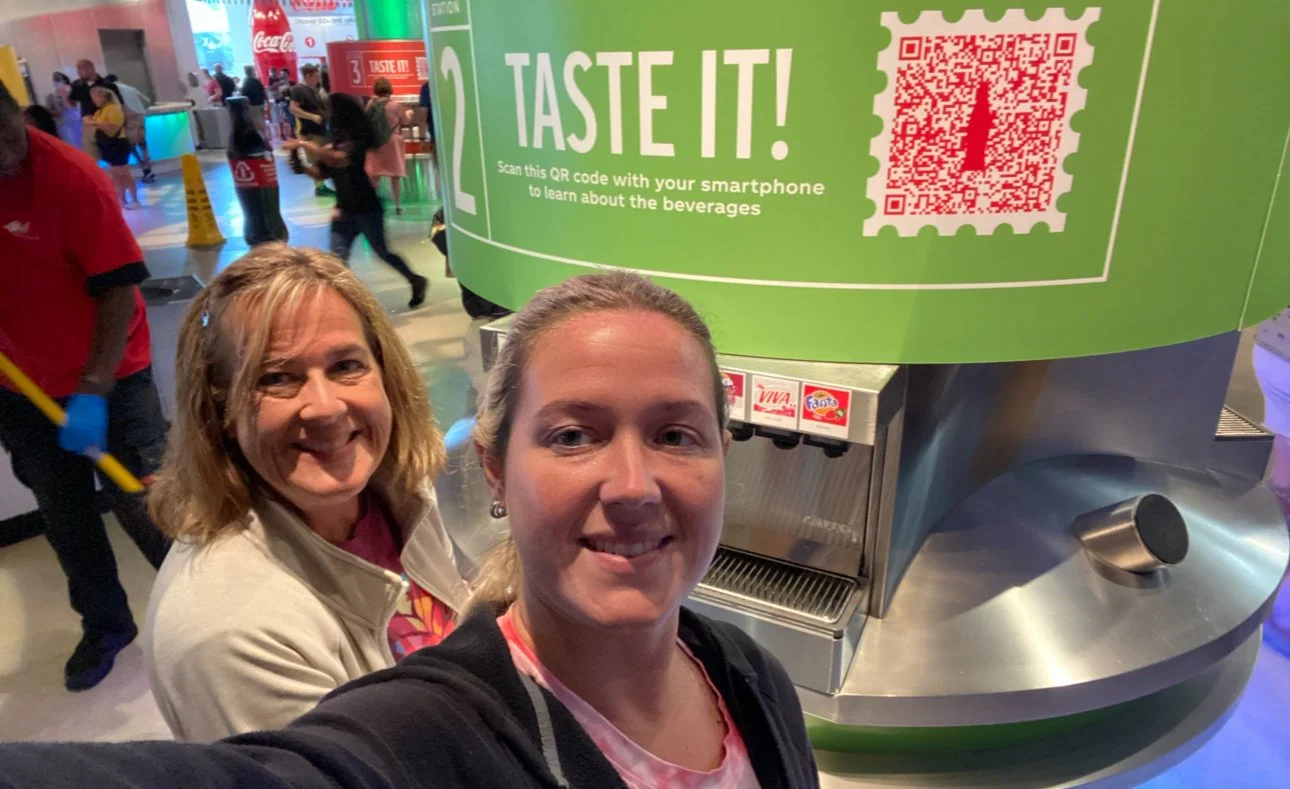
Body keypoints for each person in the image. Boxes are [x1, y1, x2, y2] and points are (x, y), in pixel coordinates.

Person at [0, 271, 819, 788]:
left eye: (677, 433)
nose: (324, 407)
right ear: (498, 469)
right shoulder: (225, 625)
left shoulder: (750, 677)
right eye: (276, 379)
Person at [144, 246, 473, 741]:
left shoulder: (395, 492)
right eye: (276, 378)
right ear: (222, 410)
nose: (324, 408)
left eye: (345, 366)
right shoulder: (230, 635)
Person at [0, 80, 171, 693]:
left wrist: (94, 391)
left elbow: (117, 291)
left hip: (111, 376)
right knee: (64, 512)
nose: (2, 150)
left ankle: (199, 616)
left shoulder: (72, 179)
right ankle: (105, 624)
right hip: (20, 386)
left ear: (18, 114)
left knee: (149, 506)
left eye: (7, 130)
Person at [283, 94, 428, 309]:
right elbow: (322, 173)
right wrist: (303, 167)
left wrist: (304, 144)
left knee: (382, 252)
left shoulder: (356, 142)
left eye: (330, 111)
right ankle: (346, 304)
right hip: (345, 210)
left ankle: (415, 280)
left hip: (367, 209)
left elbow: (339, 160)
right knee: (336, 261)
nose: (327, 116)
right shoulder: (336, 142)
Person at [84, 86, 139, 208]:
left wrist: (95, 123)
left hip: (118, 144)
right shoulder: (99, 111)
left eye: (95, 97)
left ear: (102, 97)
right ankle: (122, 198)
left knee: (124, 173)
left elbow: (112, 127)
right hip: (106, 146)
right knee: (115, 174)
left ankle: (135, 199)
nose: (94, 100)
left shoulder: (113, 109)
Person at [364, 77, 412, 215]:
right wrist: (409, 114)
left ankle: (370, 204)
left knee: (375, 175)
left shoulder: (371, 104)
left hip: (376, 142)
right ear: (389, 89)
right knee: (395, 176)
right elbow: (405, 121)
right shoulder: (395, 105)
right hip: (392, 142)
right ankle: (398, 205)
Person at [289, 63, 333, 196]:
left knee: (322, 158)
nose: (318, 78)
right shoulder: (299, 89)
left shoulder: (314, 89)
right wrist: (312, 117)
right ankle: (319, 187)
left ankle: (321, 185)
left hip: (320, 129)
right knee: (315, 159)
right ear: (308, 75)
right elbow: (293, 108)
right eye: (316, 75)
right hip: (311, 131)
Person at [104, 74, 155, 184]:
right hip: (140, 115)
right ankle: (148, 169)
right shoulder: (130, 88)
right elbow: (147, 100)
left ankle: (142, 170)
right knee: (143, 144)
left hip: (129, 117)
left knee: (130, 145)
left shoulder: (114, 89)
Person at [45, 71, 82, 147]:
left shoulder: (73, 91)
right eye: (55, 79)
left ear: (64, 80)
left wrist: (64, 96)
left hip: (76, 121)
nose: (56, 82)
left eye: (58, 79)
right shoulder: (51, 96)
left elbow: (74, 107)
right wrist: (54, 112)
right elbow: (48, 111)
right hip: (61, 124)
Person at [240, 64, 268, 137]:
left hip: (253, 105)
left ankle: (262, 138)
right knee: (262, 120)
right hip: (261, 103)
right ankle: (264, 136)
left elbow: (244, 94)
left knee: (257, 122)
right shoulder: (256, 81)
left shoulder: (246, 82)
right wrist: (266, 101)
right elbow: (263, 91)